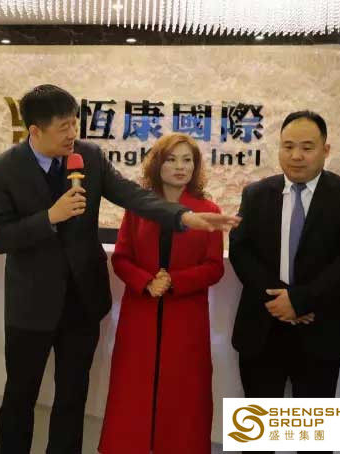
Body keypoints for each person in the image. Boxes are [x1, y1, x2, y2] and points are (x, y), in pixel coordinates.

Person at [0, 84, 239, 454]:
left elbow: (132, 195)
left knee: (72, 397)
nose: (72, 133)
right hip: (31, 306)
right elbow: (0, 236)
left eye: (75, 123)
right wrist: (49, 217)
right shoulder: (2, 169)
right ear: (35, 130)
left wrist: (183, 217)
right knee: (20, 397)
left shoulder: (88, 156)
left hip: (82, 303)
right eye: (63, 127)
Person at [230, 111, 340, 454]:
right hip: (262, 327)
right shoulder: (255, 194)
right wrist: (279, 301)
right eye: (288, 146)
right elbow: (241, 251)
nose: (296, 155)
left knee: (315, 443)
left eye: (307, 147)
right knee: (257, 442)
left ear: (325, 150)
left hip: (321, 329)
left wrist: (301, 301)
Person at [99, 133, 224, 454]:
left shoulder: (208, 210)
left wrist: (174, 281)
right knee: (133, 395)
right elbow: (121, 258)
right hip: (140, 316)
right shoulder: (138, 207)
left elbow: (214, 267)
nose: (181, 167)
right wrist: (146, 282)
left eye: (187, 160)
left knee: (184, 399)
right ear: (157, 164)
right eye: (172, 159)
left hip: (186, 321)